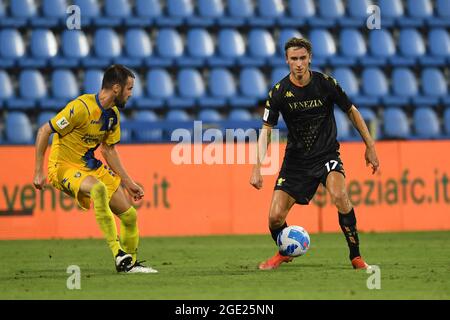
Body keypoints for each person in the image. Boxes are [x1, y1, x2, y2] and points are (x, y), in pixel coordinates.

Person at [250, 38, 379, 270]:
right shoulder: (279, 92)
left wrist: (370, 145)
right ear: (286, 60)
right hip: (296, 161)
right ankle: (285, 252)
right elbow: (266, 131)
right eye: (293, 59)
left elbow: (352, 111)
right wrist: (256, 167)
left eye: (302, 58)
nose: (298, 64)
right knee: (274, 218)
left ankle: (356, 257)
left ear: (309, 58)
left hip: (326, 155)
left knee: (340, 196)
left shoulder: (326, 84)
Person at [33, 64, 157, 274]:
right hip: (63, 166)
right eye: (129, 89)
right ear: (116, 88)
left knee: (129, 216)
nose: (131, 94)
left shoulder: (113, 116)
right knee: (98, 189)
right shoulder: (80, 107)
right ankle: (118, 253)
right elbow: (44, 131)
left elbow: (109, 150)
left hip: (90, 166)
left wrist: (129, 182)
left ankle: (129, 265)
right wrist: (38, 171)